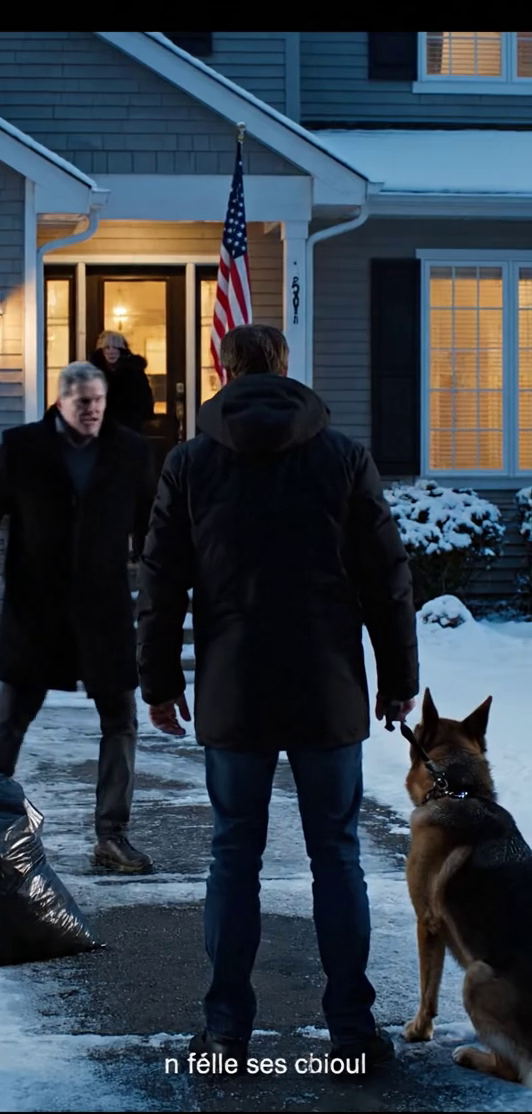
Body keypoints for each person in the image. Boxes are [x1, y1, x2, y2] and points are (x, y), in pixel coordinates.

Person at [136, 324, 419, 1073]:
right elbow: (387, 577)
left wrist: (159, 682)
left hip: (235, 686)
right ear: (285, 369)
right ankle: (352, 1029)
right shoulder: (342, 456)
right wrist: (398, 680)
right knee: (338, 857)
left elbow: (160, 582)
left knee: (234, 857)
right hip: (328, 685)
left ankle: (226, 1031)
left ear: (221, 371)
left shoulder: (190, 462)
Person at [0, 361, 157, 874]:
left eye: (99, 400)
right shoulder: (22, 447)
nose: (92, 410)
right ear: (61, 402)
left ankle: (112, 837)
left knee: (121, 722)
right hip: (37, 610)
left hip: (104, 610)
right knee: (10, 718)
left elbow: (152, 524)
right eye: (83, 402)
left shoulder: (130, 450)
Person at [89, 331, 155, 434]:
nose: (111, 351)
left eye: (116, 348)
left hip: (129, 428)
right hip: (100, 429)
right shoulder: (92, 373)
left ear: (122, 350)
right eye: (107, 348)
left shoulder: (135, 371)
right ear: (101, 350)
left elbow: (145, 399)